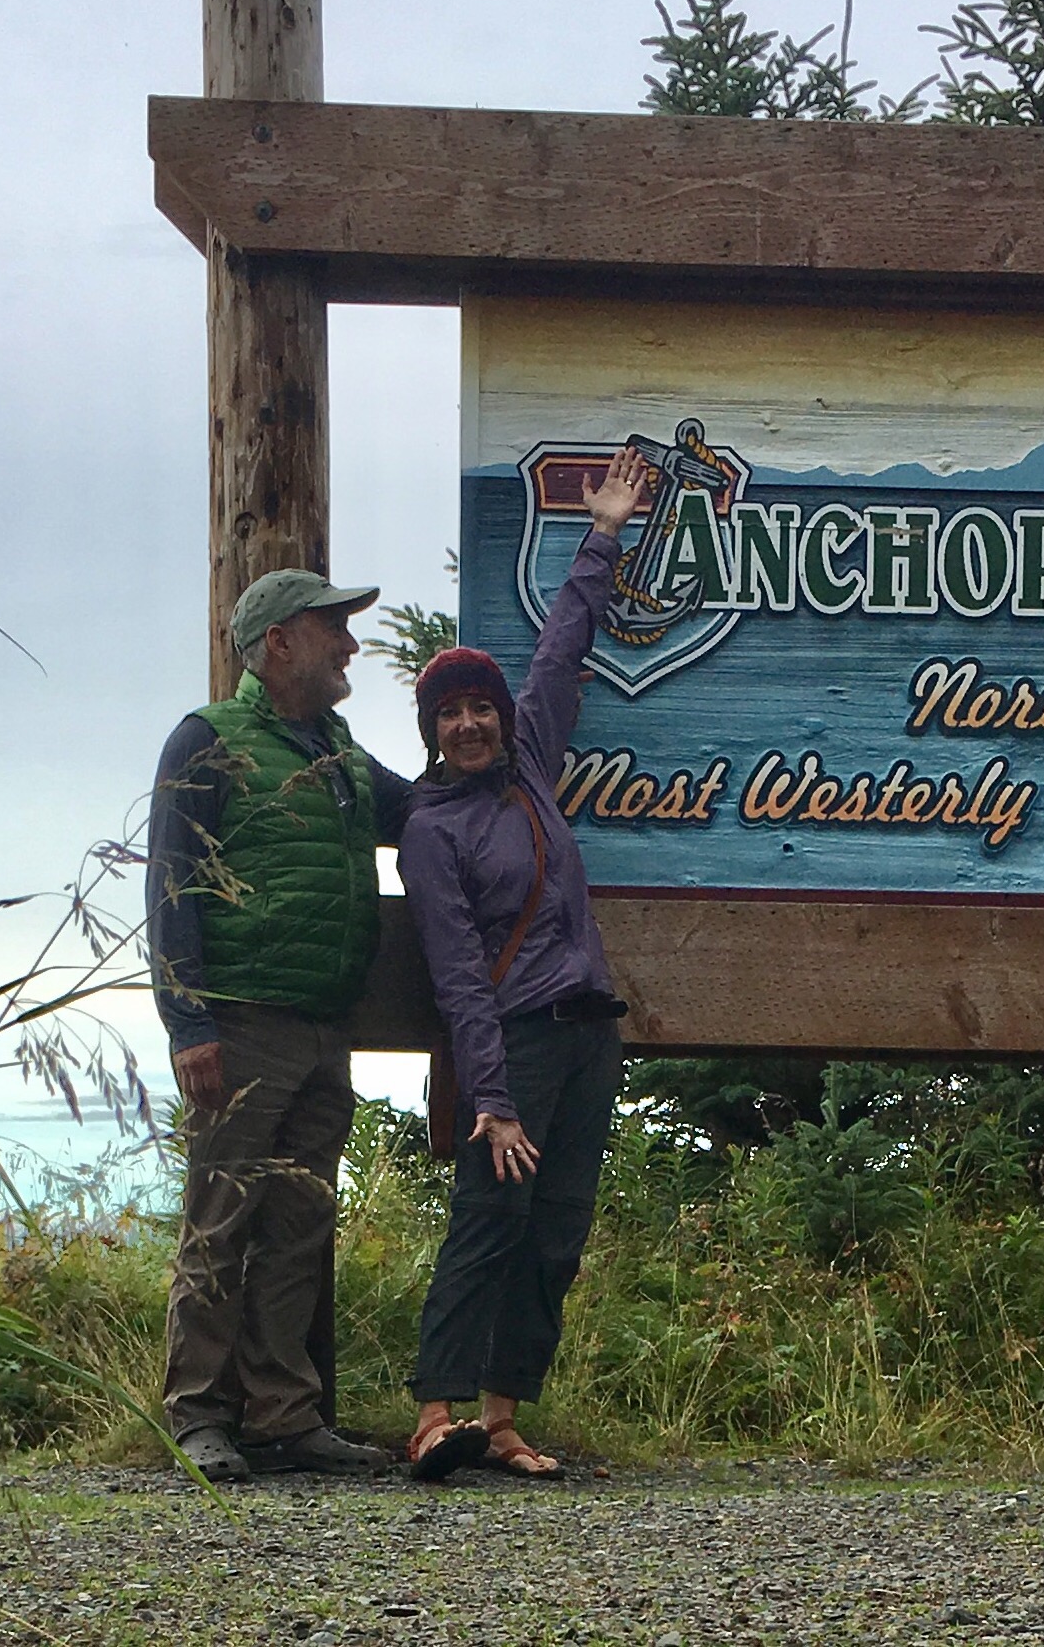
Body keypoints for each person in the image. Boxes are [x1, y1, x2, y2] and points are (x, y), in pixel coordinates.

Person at [397, 445, 648, 1481]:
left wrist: (603, 535)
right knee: (488, 1220)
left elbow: (559, 651)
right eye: (448, 714)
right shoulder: (432, 830)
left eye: (479, 708)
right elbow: (458, 974)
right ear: (432, 731)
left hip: (589, 1038)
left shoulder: (530, 769)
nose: (468, 724)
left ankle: (501, 1423)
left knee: (555, 1234)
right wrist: (492, 1099)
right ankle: (434, 1416)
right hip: (515, 1048)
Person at [147, 568, 417, 1483]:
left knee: (299, 1226)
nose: (349, 645)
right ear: (278, 642)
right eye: (331, 627)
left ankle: (284, 1416)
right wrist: (188, 1023)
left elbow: (422, 809)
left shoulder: (337, 750)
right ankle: (197, 1416)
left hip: (323, 1027)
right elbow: (171, 886)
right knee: (220, 1221)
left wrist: (500, 759)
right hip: (240, 1022)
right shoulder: (207, 739)